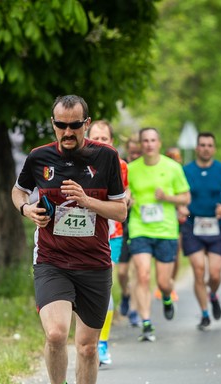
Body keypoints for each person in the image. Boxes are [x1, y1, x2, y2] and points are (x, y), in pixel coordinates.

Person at [13, 94, 127, 384]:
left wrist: (87, 200)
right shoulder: (39, 157)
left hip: (94, 264)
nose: (66, 132)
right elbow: (18, 191)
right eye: (60, 125)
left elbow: (121, 212)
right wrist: (27, 210)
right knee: (56, 333)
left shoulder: (106, 158)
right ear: (53, 124)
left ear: (86, 124)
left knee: (88, 348)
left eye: (74, 126)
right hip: (53, 261)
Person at [126, 127, 191, 341]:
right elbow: (125, 194)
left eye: (153, 140)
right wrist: (128, 200)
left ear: (159, 143)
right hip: (140, 228)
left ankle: (166, 296)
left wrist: (167, 198)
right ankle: (146, 323)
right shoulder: (131, 169)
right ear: (140, 144)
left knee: (164, 282)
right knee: (143, 275)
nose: (149, 144)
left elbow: (186, 198)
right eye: (145, 140)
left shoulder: (173, 168)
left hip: (166, 230)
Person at [87, 119, 130, 366]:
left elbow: (124, 192)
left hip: (111, 235)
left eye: (105, 139)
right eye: (96, 138)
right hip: (82, 234)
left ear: (111, 142)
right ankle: (88, 338)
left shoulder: (120, 165)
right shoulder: (75, 162)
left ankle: (102, 343)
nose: (100, 143)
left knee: (104, 287)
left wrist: (126, 200)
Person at [182, 132, 221, 330]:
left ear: (214, 148)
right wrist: (181, 208)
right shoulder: (186, 170)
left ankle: (213, 294)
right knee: (198, 270)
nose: (206, 148)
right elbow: (178, 193)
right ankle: (204, 314)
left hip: (216, 226)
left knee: (214, 274)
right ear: (197, 148)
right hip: (192, 226)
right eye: (202, 145)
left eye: (209, 145)